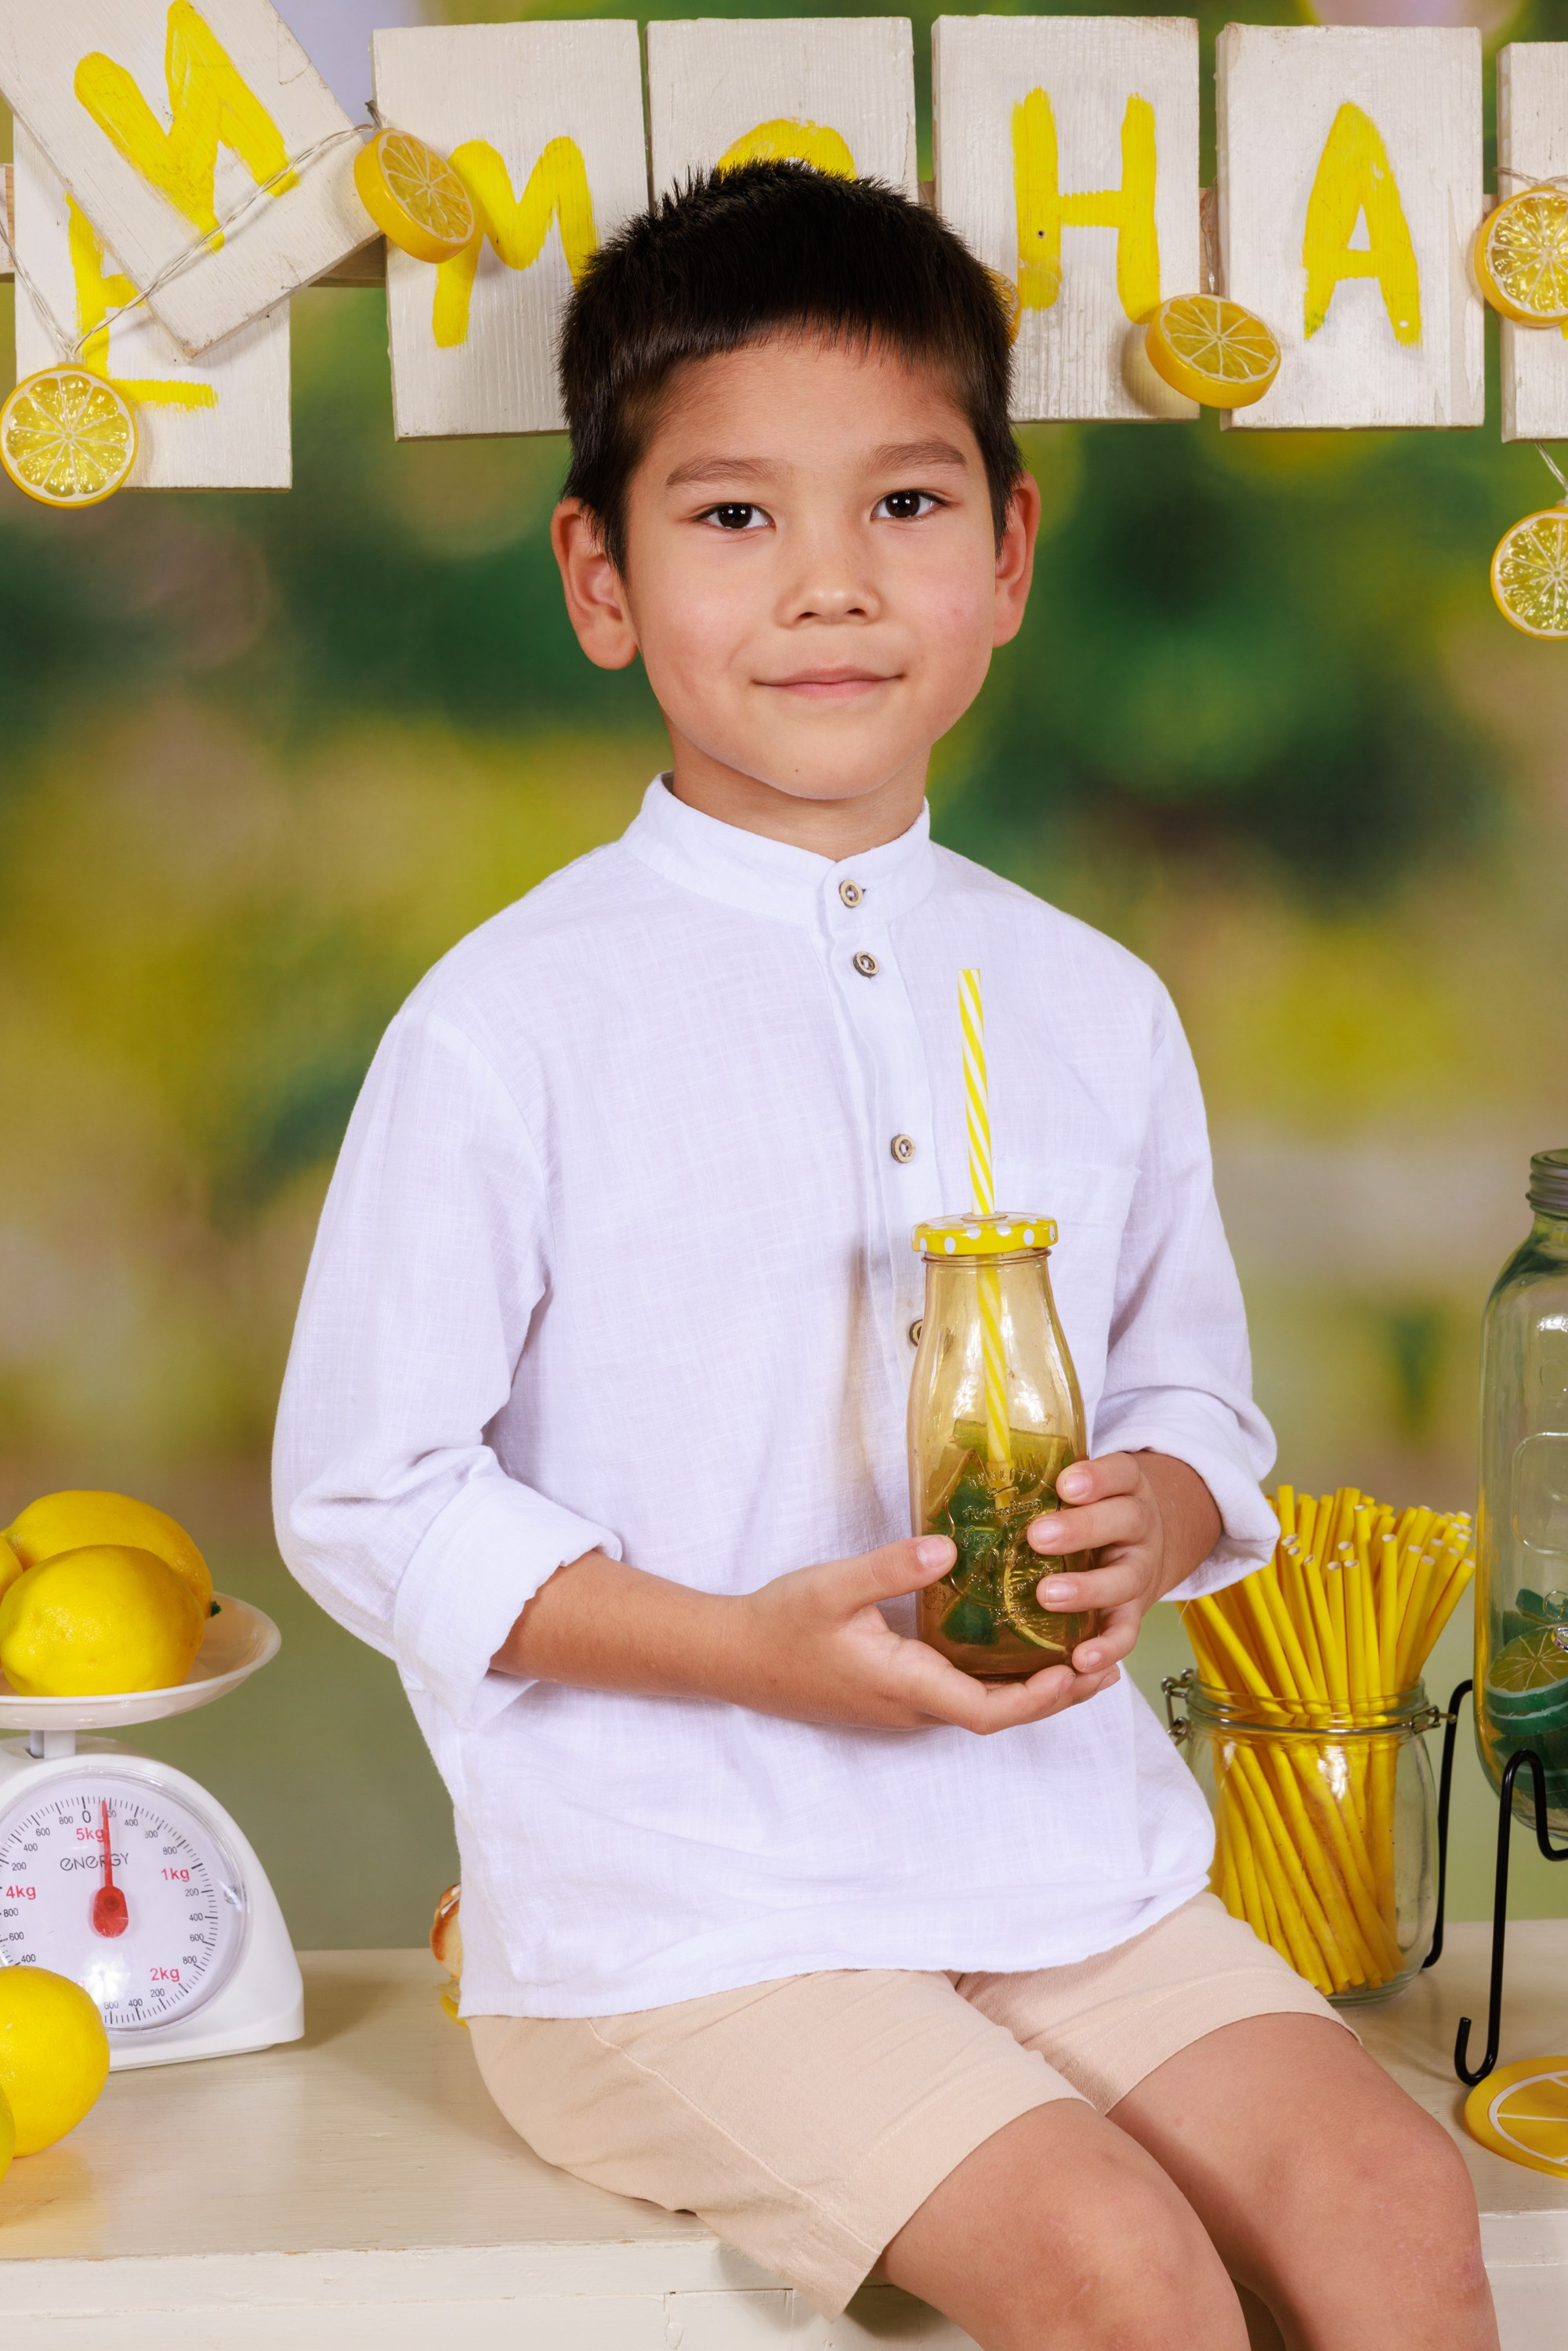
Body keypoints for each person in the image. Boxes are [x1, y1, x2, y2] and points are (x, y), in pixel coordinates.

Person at [273, 163, 1494, 2350]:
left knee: (1391, 2192)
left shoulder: (1091, 998)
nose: (828, 583)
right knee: (1110, 2258)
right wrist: (749, 1652)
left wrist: (1163, 1513)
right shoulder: (510, 1020)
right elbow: (373, 1495)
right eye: (734, 515)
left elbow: (1190, 1394)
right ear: (602, 577)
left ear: (1009, 554)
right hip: (678, 1925)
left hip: (1068, 1869)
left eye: (905, 507)